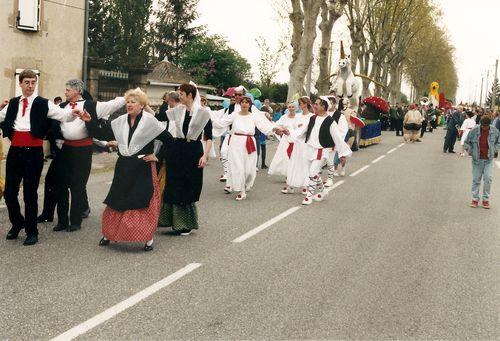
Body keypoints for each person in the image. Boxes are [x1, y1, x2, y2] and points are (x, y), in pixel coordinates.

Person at [80, 88, 172, 251]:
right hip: (124, 166)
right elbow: (103, 133)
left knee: (141, 200)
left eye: (133, 102)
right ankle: (109, 234)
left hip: (142, 166)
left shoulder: (150, 122)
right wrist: (89, 121)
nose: (129, 104)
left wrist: (157, 156)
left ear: (142, 105)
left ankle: (147, 238)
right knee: (117, 198)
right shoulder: (120, 121)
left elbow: (169, 140)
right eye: (128, 102)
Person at [0, 69, 80, 245]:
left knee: (30, 193)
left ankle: (31, 231)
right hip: (15, 152)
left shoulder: (44, 103)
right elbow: (1, 117)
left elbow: (64, 115)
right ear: (20, 83)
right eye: (26, 82)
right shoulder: (13, 103)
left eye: (33, 82)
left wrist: (75, 113)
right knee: (9, 193)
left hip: (33, 153)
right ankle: (17, 223)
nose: (30, 86)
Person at [53, 79, 125, 232]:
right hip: (65, 151)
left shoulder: (91, 105)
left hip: (82, 151)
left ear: (77, 91)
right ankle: (62, 221)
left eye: (68, 90)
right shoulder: (61, 107)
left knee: (78, 186)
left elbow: (112, 104)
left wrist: (128, 97)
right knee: (61, 186)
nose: (65, 92)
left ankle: (76, 221)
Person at [158, 83, 212, 234]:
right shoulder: (178, 110)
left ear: (190, 95)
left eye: (181, 94)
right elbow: (159, 117)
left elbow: (209, 137)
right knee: (174, 183)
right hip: (177, 150)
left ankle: (186, 224)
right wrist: (144, 107)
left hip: (193, 151)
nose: (179, 96)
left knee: (189, 185)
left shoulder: (203, 113)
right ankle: (171, 221)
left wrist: (204, 156)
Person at [212, 96, 284, 200]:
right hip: (235, 142)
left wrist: (275, 129)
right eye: (243, 102)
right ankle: (242, 191)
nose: (244, 104)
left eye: (247, 102)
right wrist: (210, 120)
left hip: (249, 142)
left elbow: (264, 126)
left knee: (249, 170)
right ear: (240, 104)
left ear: (250, 105)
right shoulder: (234, 115)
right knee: (238, 167)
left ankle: (246, 184)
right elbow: (221, 123)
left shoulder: (253, 116)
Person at [290, 97, 352, 205]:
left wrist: (342, 154)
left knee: (313, 172)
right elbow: (302, 131)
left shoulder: (330, 121)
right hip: (310, 149)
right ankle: (323, 192)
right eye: (315, 104)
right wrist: (289, 132)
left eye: (317, 104)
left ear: (323, 107)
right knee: (313, 172)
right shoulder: (313, 118)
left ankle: (309, 196)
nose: (314, 105)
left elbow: (337, 138)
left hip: (322, 150)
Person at [464, 115, 500, 209]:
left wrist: (495, 150)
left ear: (489, 124)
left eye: (486, 126)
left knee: (488, 178)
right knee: (476, 180)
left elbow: (498, 142)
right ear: (480, 124)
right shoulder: (474, 131)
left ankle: (486, 200)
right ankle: (475, 199)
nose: (484, 127)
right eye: (483, 126)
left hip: (488, 159)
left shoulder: (495, 131)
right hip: (477, 160)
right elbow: (466, 143)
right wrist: (471, 151)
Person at [282, 96, 315, 194]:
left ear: (305, 104)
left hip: (306, 143)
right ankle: (291, 185)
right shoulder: (298, 116)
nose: (299, 105)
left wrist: (298, 130)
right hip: (297, 143)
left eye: (300, 103)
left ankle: (304, 185)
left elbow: (310, 130)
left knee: (304, 164)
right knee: (294, 163)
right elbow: (294, 129)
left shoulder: (312, 116)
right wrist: (288, 132)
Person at [268, 101, 300, 177]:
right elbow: (277, 125)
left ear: (296, 108)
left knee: (295, 157)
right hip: (286, 140)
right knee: (285, 157)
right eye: (289, 107)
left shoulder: (299, 117)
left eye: (293, 107)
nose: (291, 108)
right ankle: (287, 174)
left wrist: (292, 132)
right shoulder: (284, 117)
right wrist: (281, 131)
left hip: (296, 141)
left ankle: (294, 173)